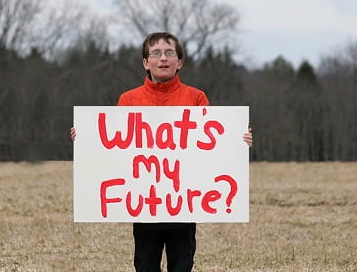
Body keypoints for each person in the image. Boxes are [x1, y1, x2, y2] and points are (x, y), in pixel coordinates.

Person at [71, 32, 253, 272]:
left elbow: (212, 144)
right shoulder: (129, 100)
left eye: (170, 53)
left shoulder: (196, 98)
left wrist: (238, 140)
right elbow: (113, 147)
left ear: (180, 62)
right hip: (143, 201)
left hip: (185, 201)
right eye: (155, 53)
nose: (163, 58)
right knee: (145, 265)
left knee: (182, 265)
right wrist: (87, 138)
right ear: (146, 63)